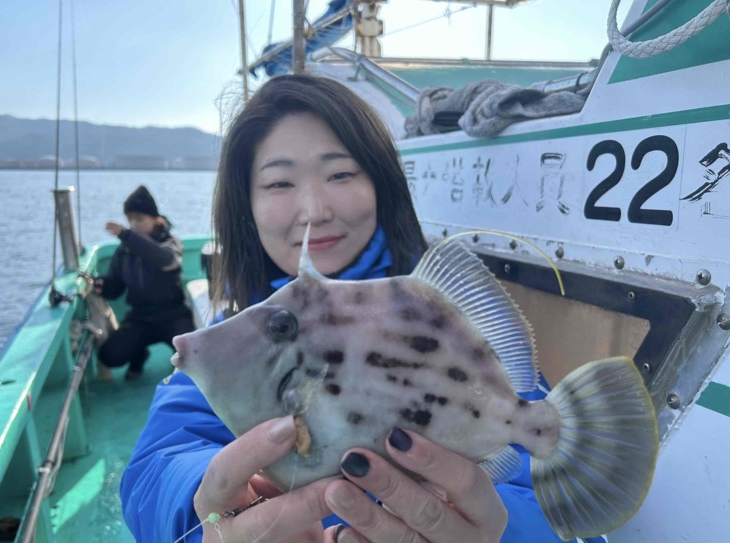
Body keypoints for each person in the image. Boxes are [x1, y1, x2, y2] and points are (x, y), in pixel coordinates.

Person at [120, 75, 575, 543]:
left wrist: (498, 531)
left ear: (381, 182)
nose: (314, 209)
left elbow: (553, 500)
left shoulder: (443, 321)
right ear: (246, 205)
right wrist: (211, 510)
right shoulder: (236, 340)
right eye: (279, 182)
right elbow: (156, 466)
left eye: (340, 174)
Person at [95, 185, 194, 380]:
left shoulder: (171, 242)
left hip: (173, 315)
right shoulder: (124, 250)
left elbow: (166, 260)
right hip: (140, 318)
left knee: (194, 355)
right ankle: (139, 353)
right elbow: (115, 288)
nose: (134, 224)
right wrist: (102, 286)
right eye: (130, 220)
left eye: (139, 219)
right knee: (109, 355)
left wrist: (126, 235)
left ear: (156, 219)